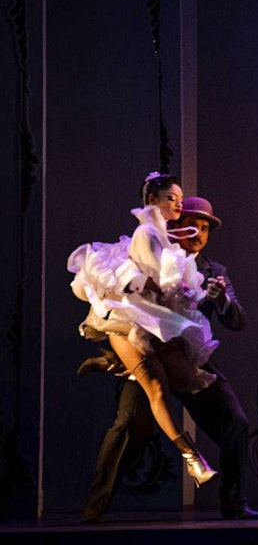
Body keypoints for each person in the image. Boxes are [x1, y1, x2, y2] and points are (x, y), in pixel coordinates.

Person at [79, 196, 258, 522]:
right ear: (175, 226)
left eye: (205, 228)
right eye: (193, 225)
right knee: (129, 428)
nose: (200, 233)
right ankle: (96, 505)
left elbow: (238, 321)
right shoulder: (147, 257)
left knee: (235, 423)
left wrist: (222, 304)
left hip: (190, 359)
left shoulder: (214, 270)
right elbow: (120, 293)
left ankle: (234, 505)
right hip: (149, 351)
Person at [70, 172, 220, 488]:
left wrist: (203, 294)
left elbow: (179, 290)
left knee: (184, 377)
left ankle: (113, 364)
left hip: (152, 320)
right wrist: (155, 284)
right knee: (156, 389)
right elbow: (133, 280)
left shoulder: (166, 240)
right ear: (153, 200)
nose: (178, 205)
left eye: (180, 200)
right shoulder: (146, 234)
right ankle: (192, 459)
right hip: (129, 321)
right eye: (171, 199)